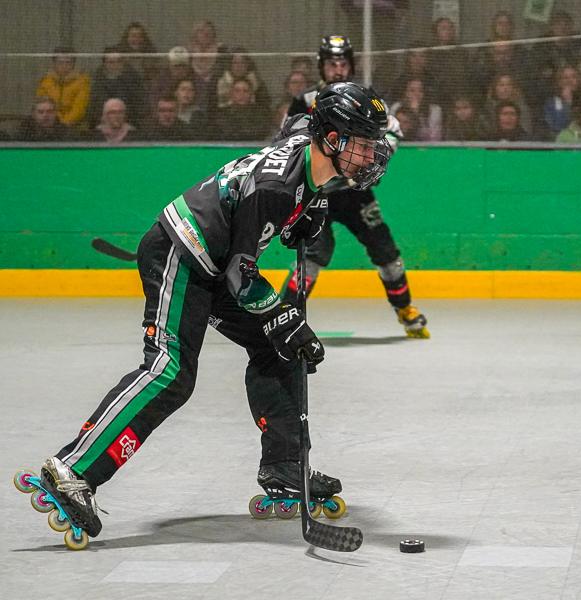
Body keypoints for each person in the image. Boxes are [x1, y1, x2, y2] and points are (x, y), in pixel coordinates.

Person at [17, 81, 392, 550]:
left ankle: (283, 467)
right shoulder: (275, 187)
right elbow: (242, 274)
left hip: (218, 261)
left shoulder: (307, 152)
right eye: (362, 142)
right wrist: (282, 315)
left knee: (281, 349)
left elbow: (294, 127)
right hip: (183, 253)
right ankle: (72, 471)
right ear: (333, 140)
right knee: (171, 371)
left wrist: (309, 209)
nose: (372, 153)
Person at [284, 36, 429, 338]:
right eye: (331, 64)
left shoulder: (366, 96)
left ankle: (405, 308)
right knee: (315, 253)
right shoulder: (306, 99)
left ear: (350, 65)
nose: (337, 70)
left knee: (383, 245)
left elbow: (393, 131)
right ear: (321, 66)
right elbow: (287, 140)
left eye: (343, 64)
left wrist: (375, 158)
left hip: (354, 191)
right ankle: (286, 315)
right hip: (316, 191)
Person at [86, 48, 144, 129]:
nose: (115, 65)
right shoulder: (97, 82)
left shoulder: (133, 80)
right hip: (102, 124)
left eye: (118, 61)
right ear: (104, 64)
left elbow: (139, 106)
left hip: (129, 124)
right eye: (111, 62)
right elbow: (94, 107)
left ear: (123, 62)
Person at [35, 46, 91, 131]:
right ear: (54, 64)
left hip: (75, 128)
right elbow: (41, 105)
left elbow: (78, 109)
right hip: (48, 126)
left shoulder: (82, 82)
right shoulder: (46, 83)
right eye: (60, 63)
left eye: (68, 63)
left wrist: (62, 125)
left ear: (73, 64)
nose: (64, 66)